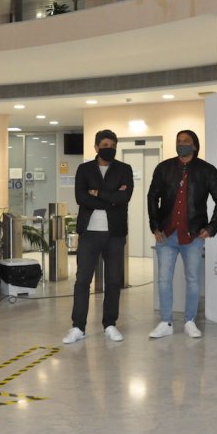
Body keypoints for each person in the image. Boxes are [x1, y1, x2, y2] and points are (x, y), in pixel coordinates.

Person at [147, 129, 217, 339]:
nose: (181, 143)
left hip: (192, 235)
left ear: (194, 145)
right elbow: (152, 196)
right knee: (164, 280)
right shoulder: (164, 168)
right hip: (166, 233)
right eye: (178, 141)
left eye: (186, 141)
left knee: (192, 280)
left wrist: (211, 228)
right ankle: (165, 322)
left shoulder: (207, 170)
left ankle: (190, 320)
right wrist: (155, 225)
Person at [62, 129, 134, 344]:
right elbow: (81, 198)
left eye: (112, 145)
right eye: (104, 145)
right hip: (89, 233)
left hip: (115, 234)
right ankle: (78, 327)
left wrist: (98, 193)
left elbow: (125, 197)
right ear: (96, 147)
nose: (108, 149)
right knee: (83, 280)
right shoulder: (84, 169)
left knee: (113, 281)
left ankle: (110, 324)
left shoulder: (124, 169)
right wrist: (111, 197)